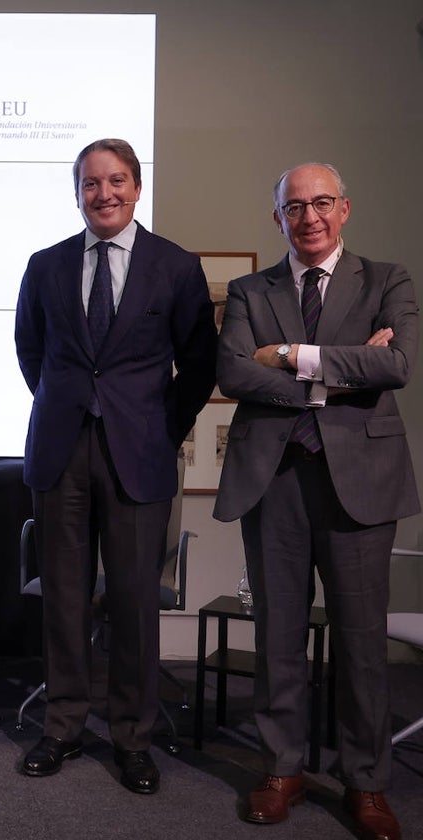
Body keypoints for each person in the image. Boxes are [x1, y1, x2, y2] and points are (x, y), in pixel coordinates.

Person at [215, 163, 415, 840]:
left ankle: (366, 782)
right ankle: (283, 767)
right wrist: (342, 366)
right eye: (294, 207)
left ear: (345, 208)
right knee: (277, 636)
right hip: (274, 479)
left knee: (361, 643)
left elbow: (397, 366)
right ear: (278, 218)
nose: (309, 217)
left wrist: (293, 355)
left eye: (321, 203)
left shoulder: (387, 280)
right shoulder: (249, 289)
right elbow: (233, 371)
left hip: (360, 483)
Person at [14, 138, 217, 794]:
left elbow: (200, 364)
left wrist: (161, 429)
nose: (105, 193)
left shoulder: (175, 266)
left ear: (137, 186)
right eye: (92, 183)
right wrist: (66, 405)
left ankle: (132, 737)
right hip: (62, 448)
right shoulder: (45, 265)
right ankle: (64, 726)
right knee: (65, 599)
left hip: (140, 451)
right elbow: (30, 350)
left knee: (133, 601)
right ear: (77, 192)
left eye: (117, 180)